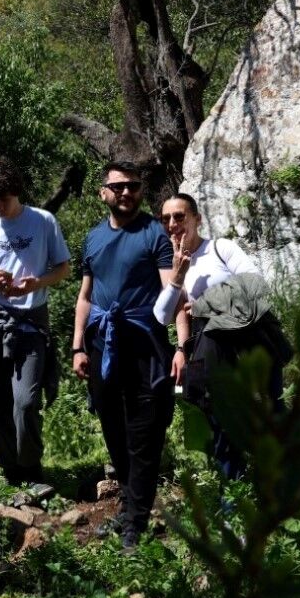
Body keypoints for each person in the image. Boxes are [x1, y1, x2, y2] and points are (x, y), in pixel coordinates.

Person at [71, 160, 175, 551]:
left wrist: (181, 343)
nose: (126, 192)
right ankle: (131, 507)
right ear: (104, 193)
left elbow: (171, 292)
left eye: (133, 186)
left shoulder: (155, 233)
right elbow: (85, 296)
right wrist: (78, 346)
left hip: (144, 343)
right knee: (113, 426)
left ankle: (136, 522)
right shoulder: (93, 238)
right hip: (103, 344)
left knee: (143, 432)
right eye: (118, 187)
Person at [0, 156, 72, 486]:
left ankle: (31, 469)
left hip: (31, 320)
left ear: (16, 192)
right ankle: (11, 472)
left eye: (3, 199)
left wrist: (36, 283)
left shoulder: (43, 221)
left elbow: (63, 268)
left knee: (25, 400)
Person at [152, 193, 279, 479]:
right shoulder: (175, 263)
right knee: (220, 420)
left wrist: (205, 304)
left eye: (179, 216)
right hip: (210, 349)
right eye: (165, 219)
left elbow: (256, 285)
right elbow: (163, 315)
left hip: (247, 342)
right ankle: (232, 491)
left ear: (197, 219)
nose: (172, 224)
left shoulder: (220, 248)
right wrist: (178, 276)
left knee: (269, 414)